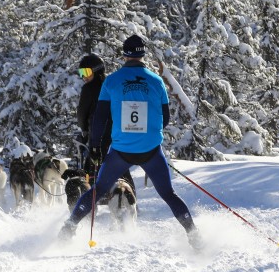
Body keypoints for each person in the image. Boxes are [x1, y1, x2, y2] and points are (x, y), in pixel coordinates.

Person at [60, 34, 201, 249]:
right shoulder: (156, 81)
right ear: (143, 54)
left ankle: (69, 227)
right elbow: (166, 117)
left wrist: (95, 146)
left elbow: (100, 118)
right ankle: (193, 234)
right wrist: (149, 135)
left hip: (121, 150)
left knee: (97, 190)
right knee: (169, 194)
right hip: (151, 151)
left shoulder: (111, 81)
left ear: (124, 55)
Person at [75, 53, 134, 191]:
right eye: (81, 73)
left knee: (91, 169)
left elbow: (82, 113)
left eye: (87, 72)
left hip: (97, 135)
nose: (84, 77)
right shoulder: (113, 84)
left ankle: (90, 201)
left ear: (96, 70)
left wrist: (84, 129)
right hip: (118, 134)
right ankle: (131, 200)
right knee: (121, 166)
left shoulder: (88, 89)